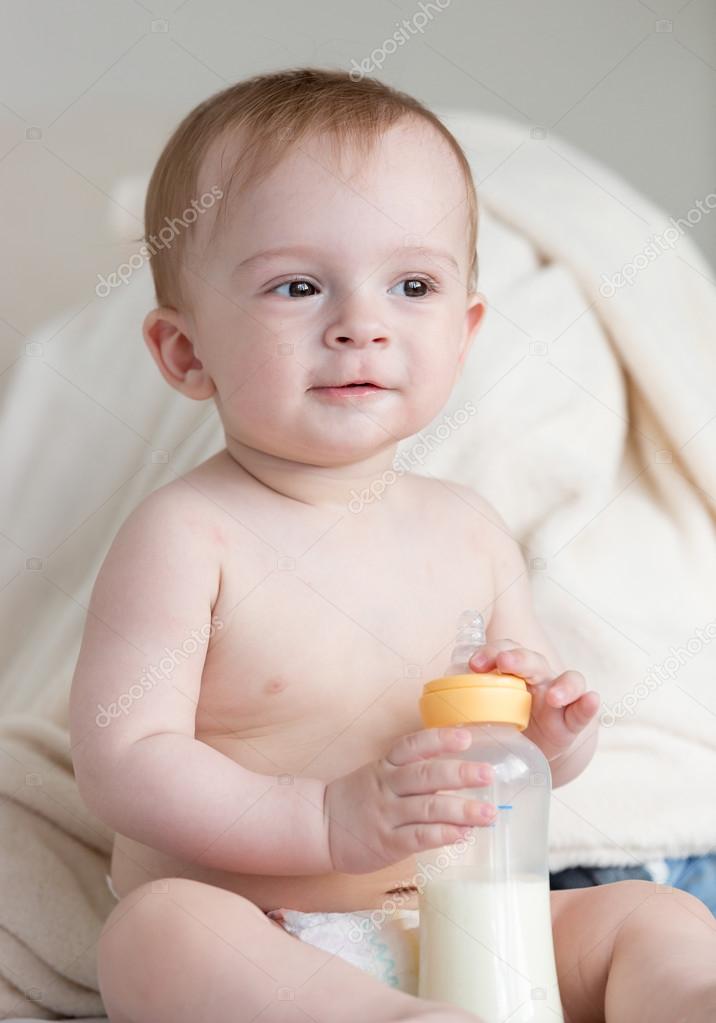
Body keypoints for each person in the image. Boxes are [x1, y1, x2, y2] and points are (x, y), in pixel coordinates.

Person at [69, 67, 716, 1023]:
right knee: (156, 937)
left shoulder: (469, 529)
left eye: (410, 284)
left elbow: (501, 748)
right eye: (298, 286)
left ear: (464, 332)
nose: (360, 325)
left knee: (649, 916)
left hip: (462, 921)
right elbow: (124, 757)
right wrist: (324, 820)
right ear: (185, 352)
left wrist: (547, 738)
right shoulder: (186, 534)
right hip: (262, 929)